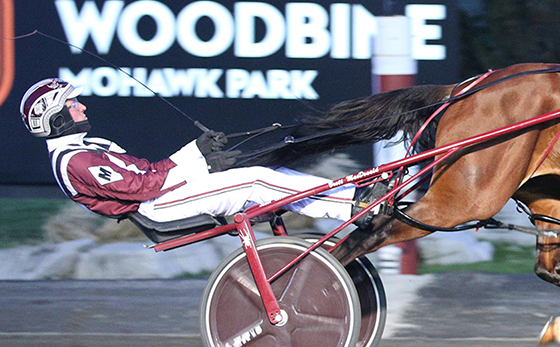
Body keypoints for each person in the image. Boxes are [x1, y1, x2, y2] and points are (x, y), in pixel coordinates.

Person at [20, 78, 378, 227]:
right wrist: (202, 165)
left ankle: (351, 197)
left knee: (270, 178)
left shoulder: (88, 147)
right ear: (56, 118)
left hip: (162, 197)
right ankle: (351, 206)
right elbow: (141, 188)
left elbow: (150, 170)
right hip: (157, 209)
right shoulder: (75, 161)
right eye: (72, 103)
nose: (81, 107)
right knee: (255, 180)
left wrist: (197, 151)